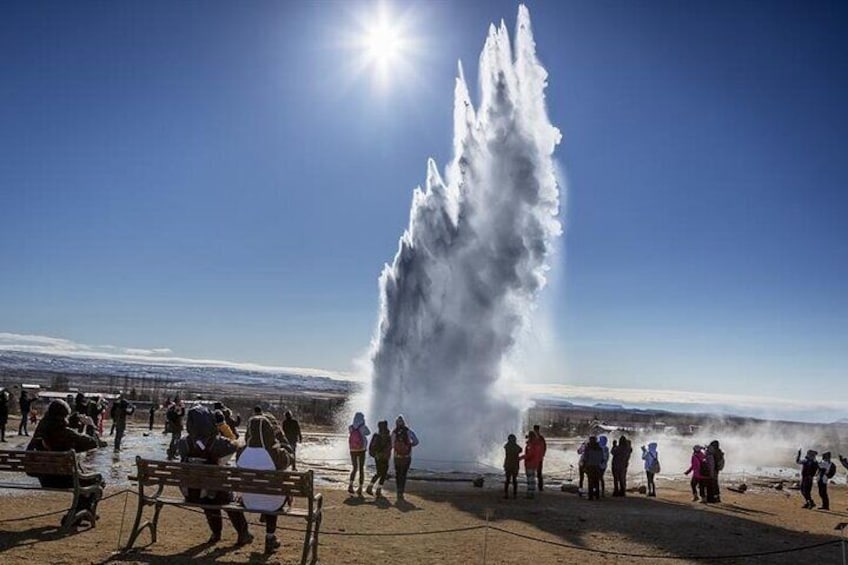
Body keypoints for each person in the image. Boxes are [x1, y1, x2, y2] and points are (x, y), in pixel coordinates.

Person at [178, 404, 251, 546]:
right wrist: (223, 426)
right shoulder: (218, 443)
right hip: (215, 493)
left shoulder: (183, 443)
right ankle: (244, 533)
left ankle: (216, 533)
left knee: (209, 498)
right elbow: (237, 444)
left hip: (193, 493)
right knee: (228, 498)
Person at [26, 399, 103, 519]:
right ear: (64, 416)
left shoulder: (42, 428)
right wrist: (90, 425)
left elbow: (58, 432)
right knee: (98, 480)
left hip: (44, 477)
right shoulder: (66, 434)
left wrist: (71, 421)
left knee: (86, 481)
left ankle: (80, 512)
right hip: (63, 479)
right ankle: (79, 513)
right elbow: (92, 443)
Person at [237, 414, 294, 554]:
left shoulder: (242, 452)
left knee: (266, 492)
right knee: (271, 494)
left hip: (248, 499)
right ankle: (270, 537)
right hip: (273, 501)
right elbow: (290, 457)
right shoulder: (274, 453)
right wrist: (281, 437)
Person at [391, 414, 419, 500]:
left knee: (398, 473)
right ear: (404, 422)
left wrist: (397, 447)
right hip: (407, 456)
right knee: (404, 474)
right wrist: (409, 445)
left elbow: (392, 445)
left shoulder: (394, 432)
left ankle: (398, 490)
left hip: (397, 456)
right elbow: (416, 441)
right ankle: (402, 491)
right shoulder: (408, 431)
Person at [366, 420, 392, 497]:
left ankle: (370, 487)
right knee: (383, 474)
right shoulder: (388, 436)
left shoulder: (376, 435)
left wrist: (374, 454)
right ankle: (378, 490)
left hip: (377, 456)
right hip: (385, 457)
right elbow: (390, 446)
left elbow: (371, 446)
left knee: (379, 473)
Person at [348, 412, 371, 495]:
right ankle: (360, 487)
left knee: (354, 468)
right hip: (361, 450)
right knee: (361, 469)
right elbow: (368, 432)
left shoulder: (350, 427)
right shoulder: (363, 427)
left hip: (352, 450)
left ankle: (350, 485)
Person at [520, 431, 543, 499]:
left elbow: (529, 454)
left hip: (530, 463)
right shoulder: (538, 444)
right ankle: (532, 492)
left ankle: (530, 494)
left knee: (530, 479)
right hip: (535, 463)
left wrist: (521, 458)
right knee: (532, 479)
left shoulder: (531, 444)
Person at [583, 436, 604, 501]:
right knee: (596, 481)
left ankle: (591, 496)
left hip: (590, 466)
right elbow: (602, 459)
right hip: (597, 466)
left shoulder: (588, 448)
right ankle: (597, 495)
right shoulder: (600, 448)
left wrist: (584, 466)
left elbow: (585, 458)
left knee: (590, 482)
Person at [503, 433, 522, 499]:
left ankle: (506, 494)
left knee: (507, 480)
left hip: (508, 464)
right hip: (515, 465)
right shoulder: (516, 447)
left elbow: (505, 447)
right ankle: (514, 494)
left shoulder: (507, 446)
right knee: (514, 480)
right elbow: (520, 450)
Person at [533, 424, 547, 491]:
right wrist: (543, 455)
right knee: (538, 473)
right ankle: (539, 487)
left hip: (536, 458)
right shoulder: (541, 438)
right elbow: (544, 447)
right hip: (538, 458)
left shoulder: (537, 438)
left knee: (536, 473)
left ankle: (536, 487)